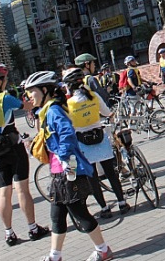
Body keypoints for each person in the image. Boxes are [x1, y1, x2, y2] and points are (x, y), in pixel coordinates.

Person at [24, 71, 114, 261]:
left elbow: (67, 134)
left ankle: (103, 249)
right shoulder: (48, 109)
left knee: (80, 213)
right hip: (59, 172)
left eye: (32, 92)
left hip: (68, 170)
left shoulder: (54, 110)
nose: (29, 96)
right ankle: (55, 256)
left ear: (44, 90)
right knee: (56, 217)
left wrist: (65, 159)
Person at [0, 62, 50, 246]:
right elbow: (28, 106)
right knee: (22, 189)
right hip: (13, 148)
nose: (6, 82)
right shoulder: (4, 98)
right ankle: (33, 228)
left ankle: (9, 234)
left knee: (4, 193)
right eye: (5, 79)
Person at [62, 68, 130, 219]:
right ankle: (122, 203)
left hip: (82, 141)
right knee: (111, 173)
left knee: (92, 177)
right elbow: (107, 113)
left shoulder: (69, 104)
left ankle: (105, 209)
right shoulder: (94, 96)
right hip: (100, 137)